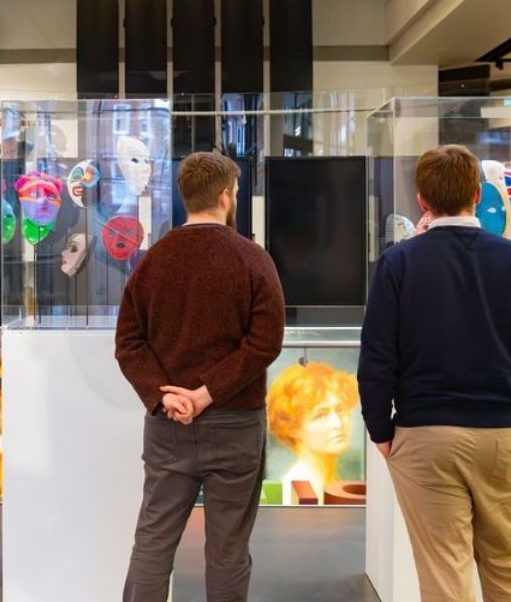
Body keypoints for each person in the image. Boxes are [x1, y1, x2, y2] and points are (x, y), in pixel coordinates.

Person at [358, 144, 511, 602]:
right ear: (477, 193)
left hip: (425, 434)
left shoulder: (399, 263)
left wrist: (380, 430)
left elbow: (376, 357)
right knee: (507, 565)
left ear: (421, 200)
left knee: (444, 575)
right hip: (500, 434)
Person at [115, 151, 285, 602]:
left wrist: (165, 396)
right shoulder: (253, 259)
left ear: (184, 196)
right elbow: (265, 343)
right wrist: (209, 393)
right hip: (237, 424)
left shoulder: (150, 263)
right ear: (227, 196)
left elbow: (129, 344)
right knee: (229, 551)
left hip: (168, 424)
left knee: (153, 544)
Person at [266, 362, 359, 504]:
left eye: (340, 409)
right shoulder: (293, 492)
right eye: (321, 415)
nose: (337, 424)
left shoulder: (331, 481)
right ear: (293, 428)